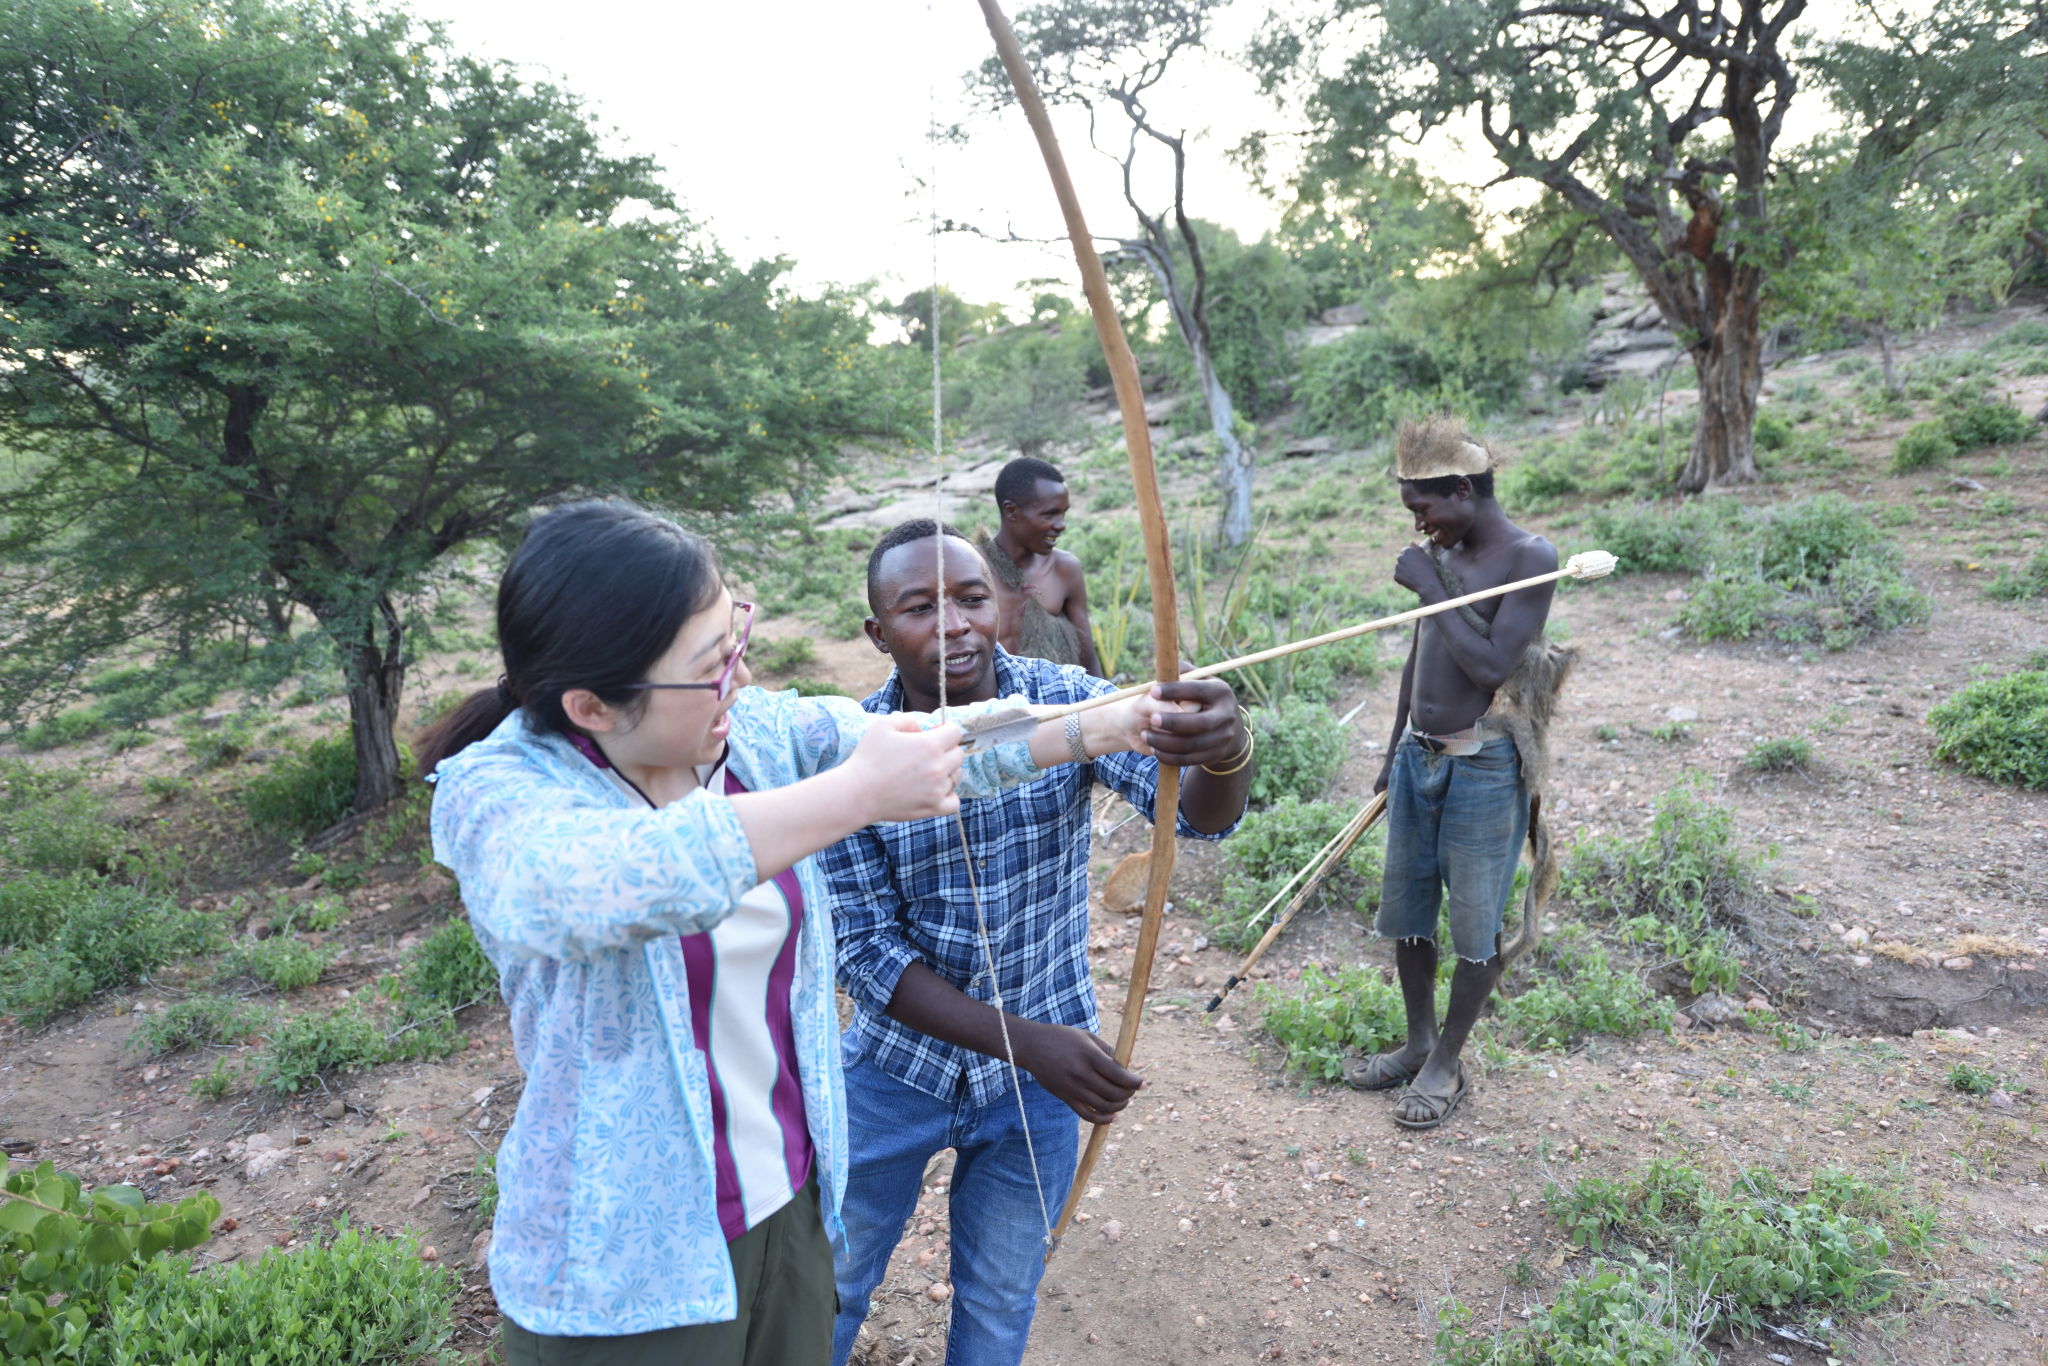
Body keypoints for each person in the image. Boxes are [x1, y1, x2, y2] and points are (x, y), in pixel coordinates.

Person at [417, 500, 1178, 1366]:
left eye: (733, 639)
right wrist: (853, 797)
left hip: (786, 1198)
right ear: (592, 706)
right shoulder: (498, 794)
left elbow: (935, 737)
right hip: (625, 1264)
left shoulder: (755, 735)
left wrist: (1107, 725)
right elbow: (613, 883)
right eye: (711, 665)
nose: (739, 678)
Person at [825, 518, 1254, 1366]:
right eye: (919, 607)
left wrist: (1225, 749)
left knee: (999, 1299)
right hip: (893, 1069)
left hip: (1042, 1073)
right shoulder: (848, 747)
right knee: (832, 1283)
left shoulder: (1066, 699)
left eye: (972, 599)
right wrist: (1029, 1046)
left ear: (1004, 606)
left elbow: (1200, 819)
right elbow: (868, 956)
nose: (953, 625)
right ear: (879, 633)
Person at [1342, 417, 1563, 1130]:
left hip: (1485, 765)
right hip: (1418, 758)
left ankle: (1447, 1063)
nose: (1420, 525)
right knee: (1409, 915)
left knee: (1473, 927)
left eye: (1425, 509)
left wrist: (1432, 582)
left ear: (1463, 490)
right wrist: (1388, 755)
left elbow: (1492, 665)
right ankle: (1417, 1043)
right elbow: (1421, 655)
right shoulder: (1445, 555)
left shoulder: (1530, 557)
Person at [976, 455, 1100, 675]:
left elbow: (1088, 661)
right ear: (1011, 511)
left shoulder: (1064, 569)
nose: (1061, 525)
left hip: (1053, 703)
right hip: (986, 706)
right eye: (1050, 514)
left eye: (1063, 513)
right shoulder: (969, 568)